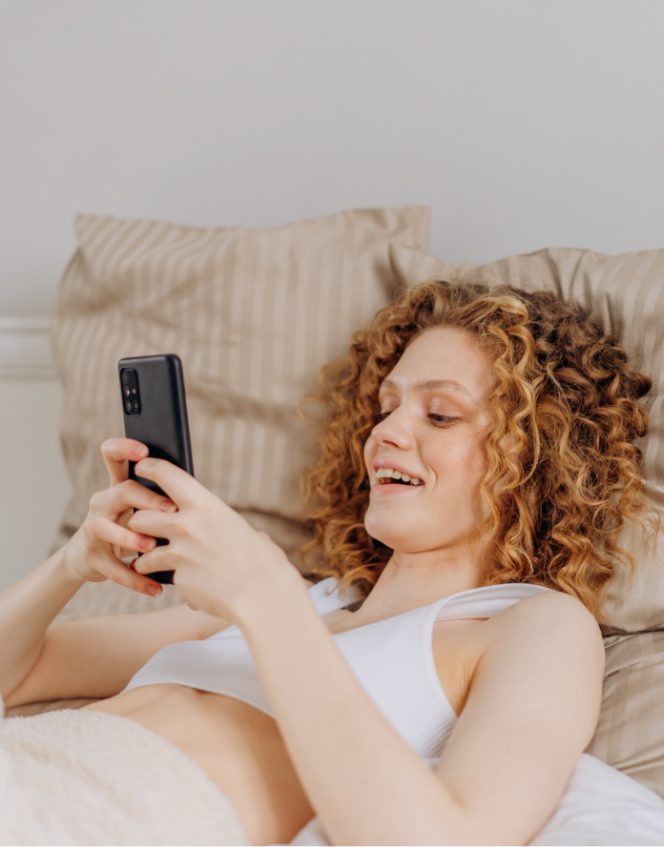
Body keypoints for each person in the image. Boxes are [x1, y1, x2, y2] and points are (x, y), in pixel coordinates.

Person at [1, 279, 664, 846]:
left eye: (439, 413)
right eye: (386, 406)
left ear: (532, 457)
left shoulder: (533, 625)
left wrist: (264, 599)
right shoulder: (310, 601)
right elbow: (19, 674)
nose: (387, 434)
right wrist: (72, 563)